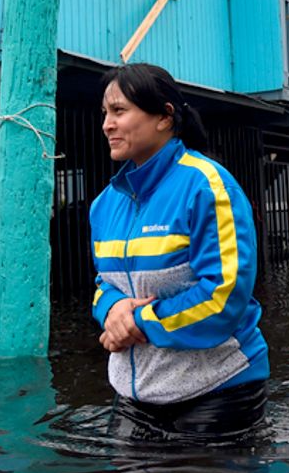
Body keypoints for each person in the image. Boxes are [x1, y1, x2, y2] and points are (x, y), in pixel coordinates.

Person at [89, 63, 268, 442]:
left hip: (219, 390)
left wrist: (138, 323)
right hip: (133, 394)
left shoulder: (207, 186)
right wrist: (111, 310)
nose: (107, 124)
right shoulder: (104, 206)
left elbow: (223, 295)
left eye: (119, 111)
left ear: (164, 117)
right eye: (105, 113)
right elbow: (104, 283)